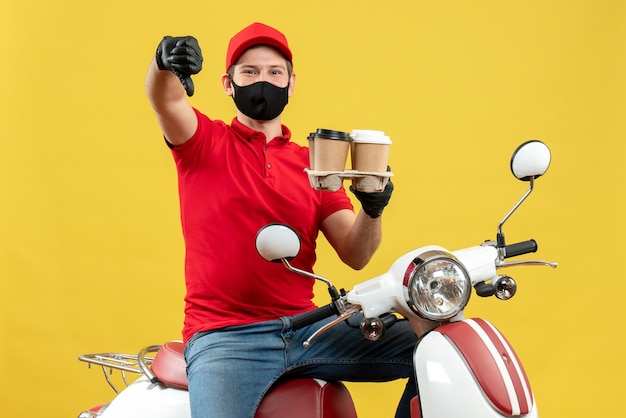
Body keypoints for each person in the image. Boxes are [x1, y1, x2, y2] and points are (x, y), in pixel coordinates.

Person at [145, 22, 417, 418]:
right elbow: (166, 100)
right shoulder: (203, 142)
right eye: (249, 72)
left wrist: (372, 209)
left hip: (310, 330)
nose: (263, 81)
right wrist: (163, 62)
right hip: (226, 338)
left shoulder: (315, 165)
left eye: (275, 73)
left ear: (291, 84)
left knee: (436, 344)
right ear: (227, 83)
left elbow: (356, 253)